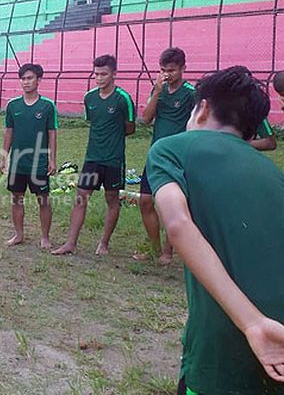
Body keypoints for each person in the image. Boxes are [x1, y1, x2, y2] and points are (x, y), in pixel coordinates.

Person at [147, 66, 284, 394]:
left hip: (225, 347)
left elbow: (178, 224)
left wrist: (252, 322)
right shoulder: (273, 173)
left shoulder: (171, 149)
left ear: (203, 108)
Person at [52, 55, 136, 256]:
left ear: (114, 74)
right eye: (96, 74)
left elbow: (130, 128)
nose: (99, 78)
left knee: (112, 199)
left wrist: (114, 137)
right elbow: (94, 122)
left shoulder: (123, 98)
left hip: (114, 159)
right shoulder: (89, 98)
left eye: (104, 74)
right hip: (92, 158)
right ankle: (70, 243)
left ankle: (104, 243)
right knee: (81, 196)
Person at [136, 48, 196, 265]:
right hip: (156, 154)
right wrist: (157, 92)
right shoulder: (158, 89)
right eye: (163, 70)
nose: (167, 74)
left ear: (183, 69)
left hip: (177, 158)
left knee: (168, 205)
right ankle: (154, 247)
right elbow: (145, 118)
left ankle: (168, 253)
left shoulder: (191, 93)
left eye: (171, 70)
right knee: (145, 201)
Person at [0, 63, 58, 249]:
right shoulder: (13, 105)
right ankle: (18, 234)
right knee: (17, 198)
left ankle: (45, 237)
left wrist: (52, 159)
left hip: (38, 162)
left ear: (38, 80)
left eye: (30, 78)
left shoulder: (47, 106)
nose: (26, 82)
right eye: (23, 78)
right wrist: (4, 156)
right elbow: (9, 131)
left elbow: (52, 133)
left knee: (43, 199)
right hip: (18, 162)